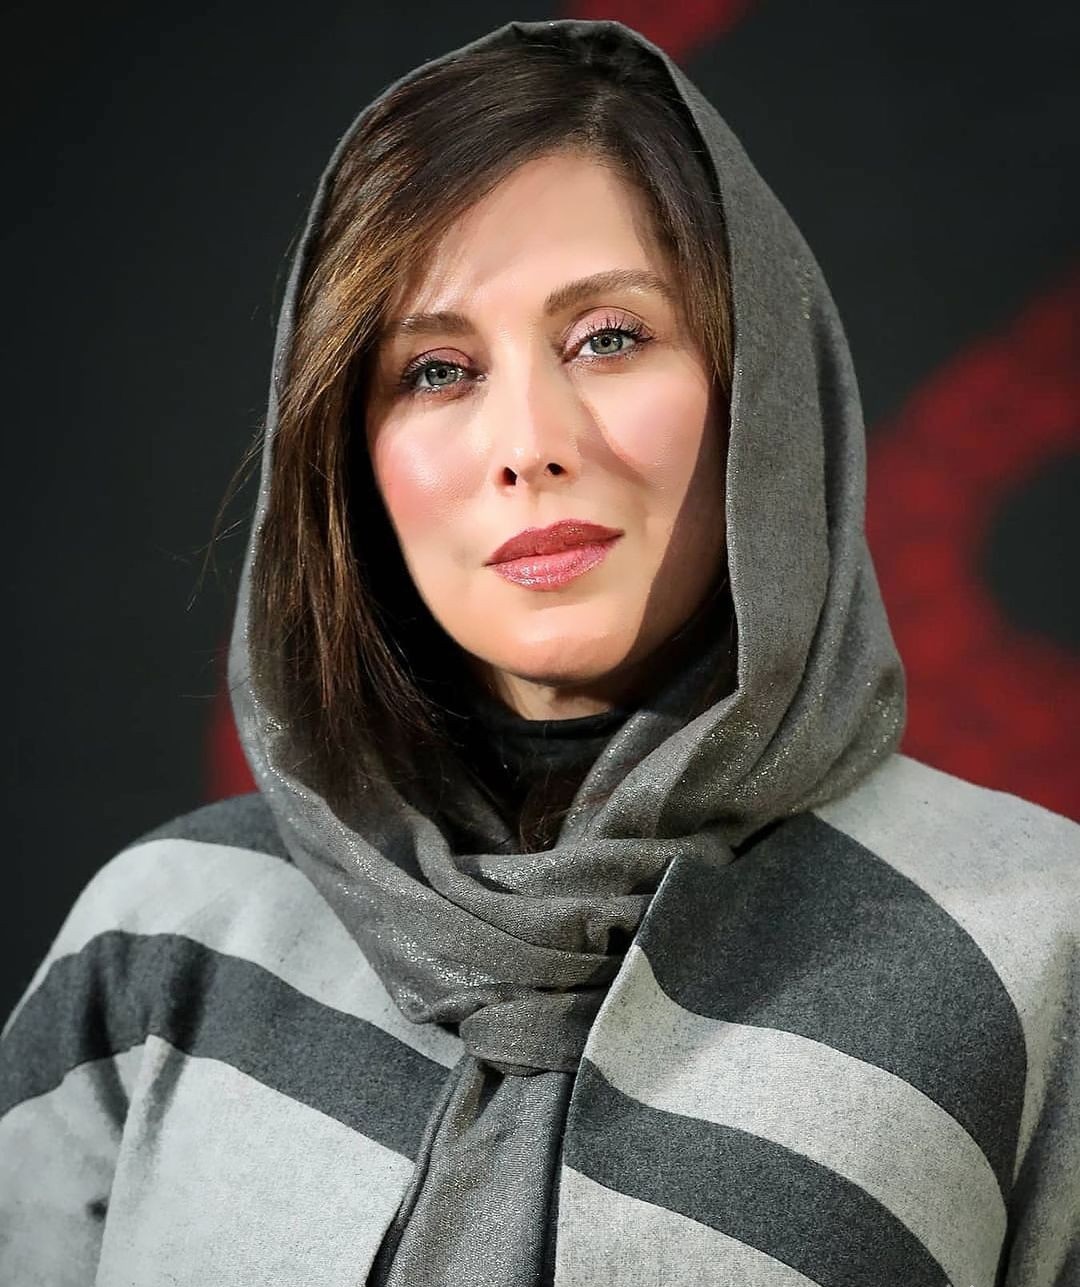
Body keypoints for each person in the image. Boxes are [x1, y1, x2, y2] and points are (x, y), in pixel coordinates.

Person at [1, 17, 1077, 1287]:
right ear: (345, 454)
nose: (528, 443)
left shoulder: (1033, 942)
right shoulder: (170, 935)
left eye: (608, 337)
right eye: (436, 370)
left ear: (762, 390)